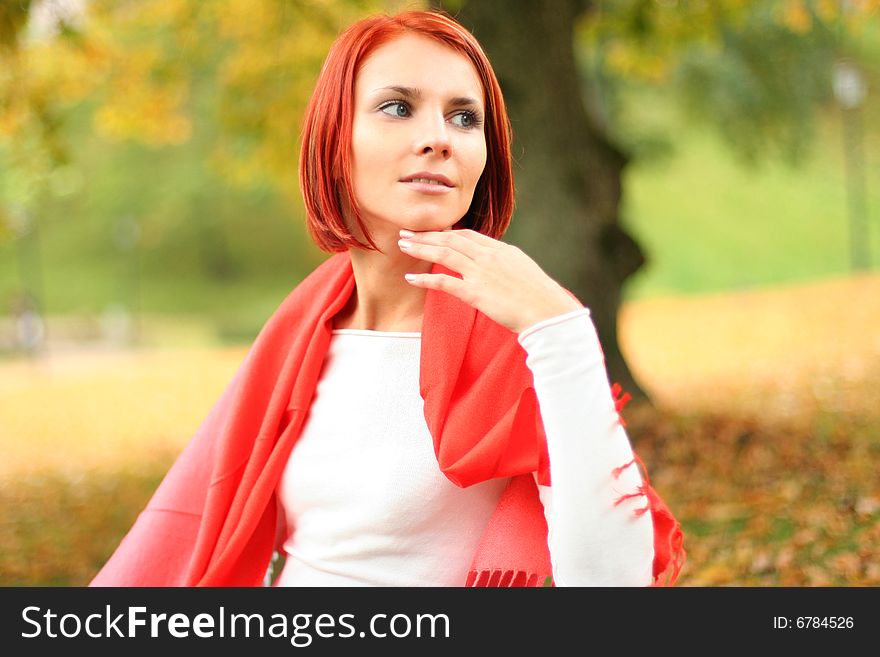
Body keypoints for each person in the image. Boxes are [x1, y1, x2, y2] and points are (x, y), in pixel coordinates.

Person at [91, 9, 683, 588]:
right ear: (334, 138)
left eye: (464, 118)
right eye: (398, 108)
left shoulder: (525, 338)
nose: (437, 139)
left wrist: (561, 334)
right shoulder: (303, 330)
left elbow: (615, 582)